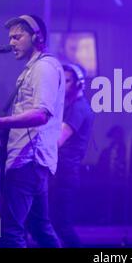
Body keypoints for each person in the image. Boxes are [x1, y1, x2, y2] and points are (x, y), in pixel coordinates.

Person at [0, 14, 65, 248]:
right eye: (10, 38)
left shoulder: (43, 68)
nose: (12, 42)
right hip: (30, 162)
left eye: (18, 37)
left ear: (37, 38)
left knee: (10, 233)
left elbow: (41, 115)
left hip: (27, 162)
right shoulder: (33, 69)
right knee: (40, 229)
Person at [50, 63, 94, 247]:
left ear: (78, 84)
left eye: (67, 81)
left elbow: (57, 141)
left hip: (64, 174)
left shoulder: (78, 109)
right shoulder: (71, 107)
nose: (63, 85)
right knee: (55, 225)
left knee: (62, 226)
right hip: (60, 173)